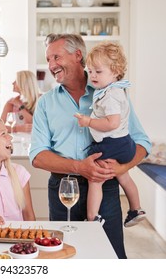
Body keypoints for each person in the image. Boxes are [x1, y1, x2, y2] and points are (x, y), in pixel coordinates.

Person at [29, 33, 151, 259]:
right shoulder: (46, 102)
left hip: (105, 186)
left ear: (77, 55)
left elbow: (142, 143)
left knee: (110, 257)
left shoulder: (111, 93)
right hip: (62, 189)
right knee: (64, 257)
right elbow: (37, 155)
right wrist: (79, 167)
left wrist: (122, 169)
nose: (51, 65)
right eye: (48, 60)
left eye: (56, 57)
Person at [74, 41, 146, 227]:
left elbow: (112, 123)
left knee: (95, 179)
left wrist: (88, 121)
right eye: (90, 71)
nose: (93, 76)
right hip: (124, 144)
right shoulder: (114, 90)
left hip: (111, 144)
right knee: (124, 176)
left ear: (115, 71)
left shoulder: (111, 94)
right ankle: (135, 209)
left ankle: (92, 218)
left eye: (98, 71)